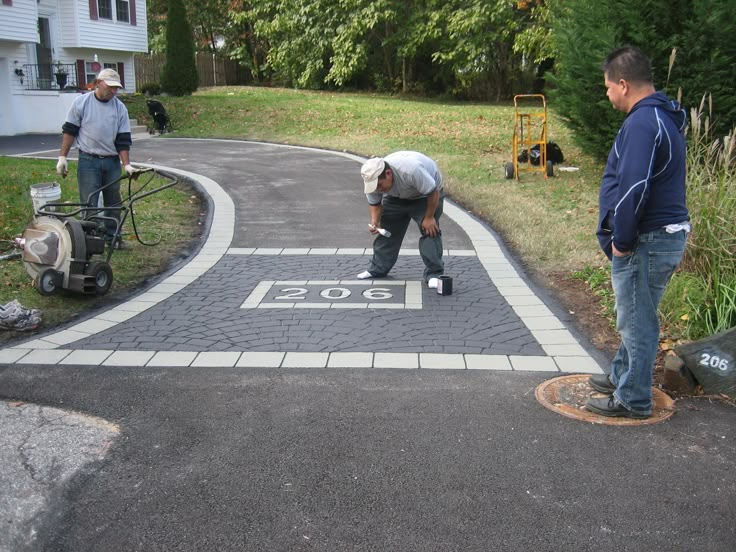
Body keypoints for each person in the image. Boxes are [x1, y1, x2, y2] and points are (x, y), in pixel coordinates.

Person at [586, 46, 689, 419]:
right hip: (664, 235)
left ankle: (633, 398)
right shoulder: (663, 118)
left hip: (645, 239)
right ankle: (621, 376)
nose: (608, 93)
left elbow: (634, 187)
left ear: (624, 84)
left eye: (608, 87)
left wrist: (622, 241)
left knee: (637, 320)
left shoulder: (643, 124)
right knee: (639, 312)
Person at [56, 68, 135, 249]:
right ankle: (90, 241)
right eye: (110, 87)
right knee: (89, 202)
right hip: (88, 160)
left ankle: (112, 238)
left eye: (117, 88)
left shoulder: (119, 108)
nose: (114, 91)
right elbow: (70, 130)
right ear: (99, 83)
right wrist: (62, 157)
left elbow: (123, 140)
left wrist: (127, 165)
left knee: (113, 202)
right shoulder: (82, 103)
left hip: (111, 161)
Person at [359, 151, 444, 287]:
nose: (378, 189)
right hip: (395, 197)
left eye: (379, 185)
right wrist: (375, 222)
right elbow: (375, 204)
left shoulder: (411, 170)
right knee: (387, 231)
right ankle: (378, 269)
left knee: (430, 230)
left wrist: (428, 218)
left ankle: (434, 273)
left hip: (425, 196)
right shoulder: (373, 181)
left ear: (388, 174)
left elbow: (433, 192)